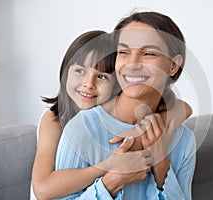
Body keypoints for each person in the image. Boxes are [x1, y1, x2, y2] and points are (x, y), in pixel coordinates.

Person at [31, 30, 192, 199]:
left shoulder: (111, 121)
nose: (88, 84)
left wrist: (144, 132)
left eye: (101, 76)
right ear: (65, 72)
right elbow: (42, 190)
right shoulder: (54, 119)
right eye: (80, 71)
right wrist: (108, 166)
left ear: (118, 85)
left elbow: (184, 108)